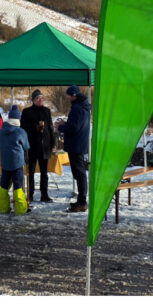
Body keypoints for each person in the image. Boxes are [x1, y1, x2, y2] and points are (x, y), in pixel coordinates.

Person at [55, 85, 92, 213]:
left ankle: (82, 202)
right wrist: (66, 123)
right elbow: (76, 125)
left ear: (74, 95)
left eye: (68, 95)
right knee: (79, 173)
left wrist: (60, 127)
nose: (67, 97)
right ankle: (81, 200)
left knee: (79, 173)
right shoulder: (84, 106)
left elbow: (74, 128)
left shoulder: (77, 108)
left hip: (76, 145)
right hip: (80, 144)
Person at [21, 89, 55, 203]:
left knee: (44, 173)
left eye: (42, 98)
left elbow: (51, 129)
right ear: (34, 100)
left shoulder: (47, 111)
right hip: (32, 146)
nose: (41, 100)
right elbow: (23, 129)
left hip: (44, 146)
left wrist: (53, 144)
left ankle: (44, 194)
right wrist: (34, 128)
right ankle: (30, 194)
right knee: (30, 172)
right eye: (38, 98)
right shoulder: (27, 112)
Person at [0, 106, 30, 214]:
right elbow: (26, 146)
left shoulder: (2, 131)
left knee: (4, 186)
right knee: (18, 186)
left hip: (5, 162)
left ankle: (3, 208)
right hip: (17, 163)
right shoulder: (20, 131)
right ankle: (21, 210)